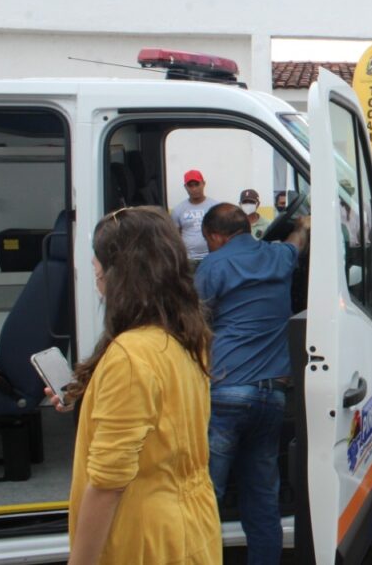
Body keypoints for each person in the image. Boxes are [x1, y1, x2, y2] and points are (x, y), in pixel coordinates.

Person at [54, 207, 221, 563]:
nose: (95, 270)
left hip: (143, 538)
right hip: (192, 527)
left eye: (99, 263)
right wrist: (88, 402)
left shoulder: (129, 356)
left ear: (120, 274)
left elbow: (107, 485)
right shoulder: (185, 337)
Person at [195, 203, 310, 564]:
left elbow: (194, 324)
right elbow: (295, 244)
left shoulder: (212, 266)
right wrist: (303, 225)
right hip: (271, 396)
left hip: (225, 391)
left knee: (205, 496)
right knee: (262, 497)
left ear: (215, 236)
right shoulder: (278, 257)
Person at [171, 169, 219, 262]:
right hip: (188, 259)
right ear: (185, 187)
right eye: (190, 185)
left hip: (211, 257)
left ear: (203, 184)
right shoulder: (178, 210)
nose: (194, 189)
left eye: (197, 184)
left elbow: (221, 232)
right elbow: (175, 236)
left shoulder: (215, 207)